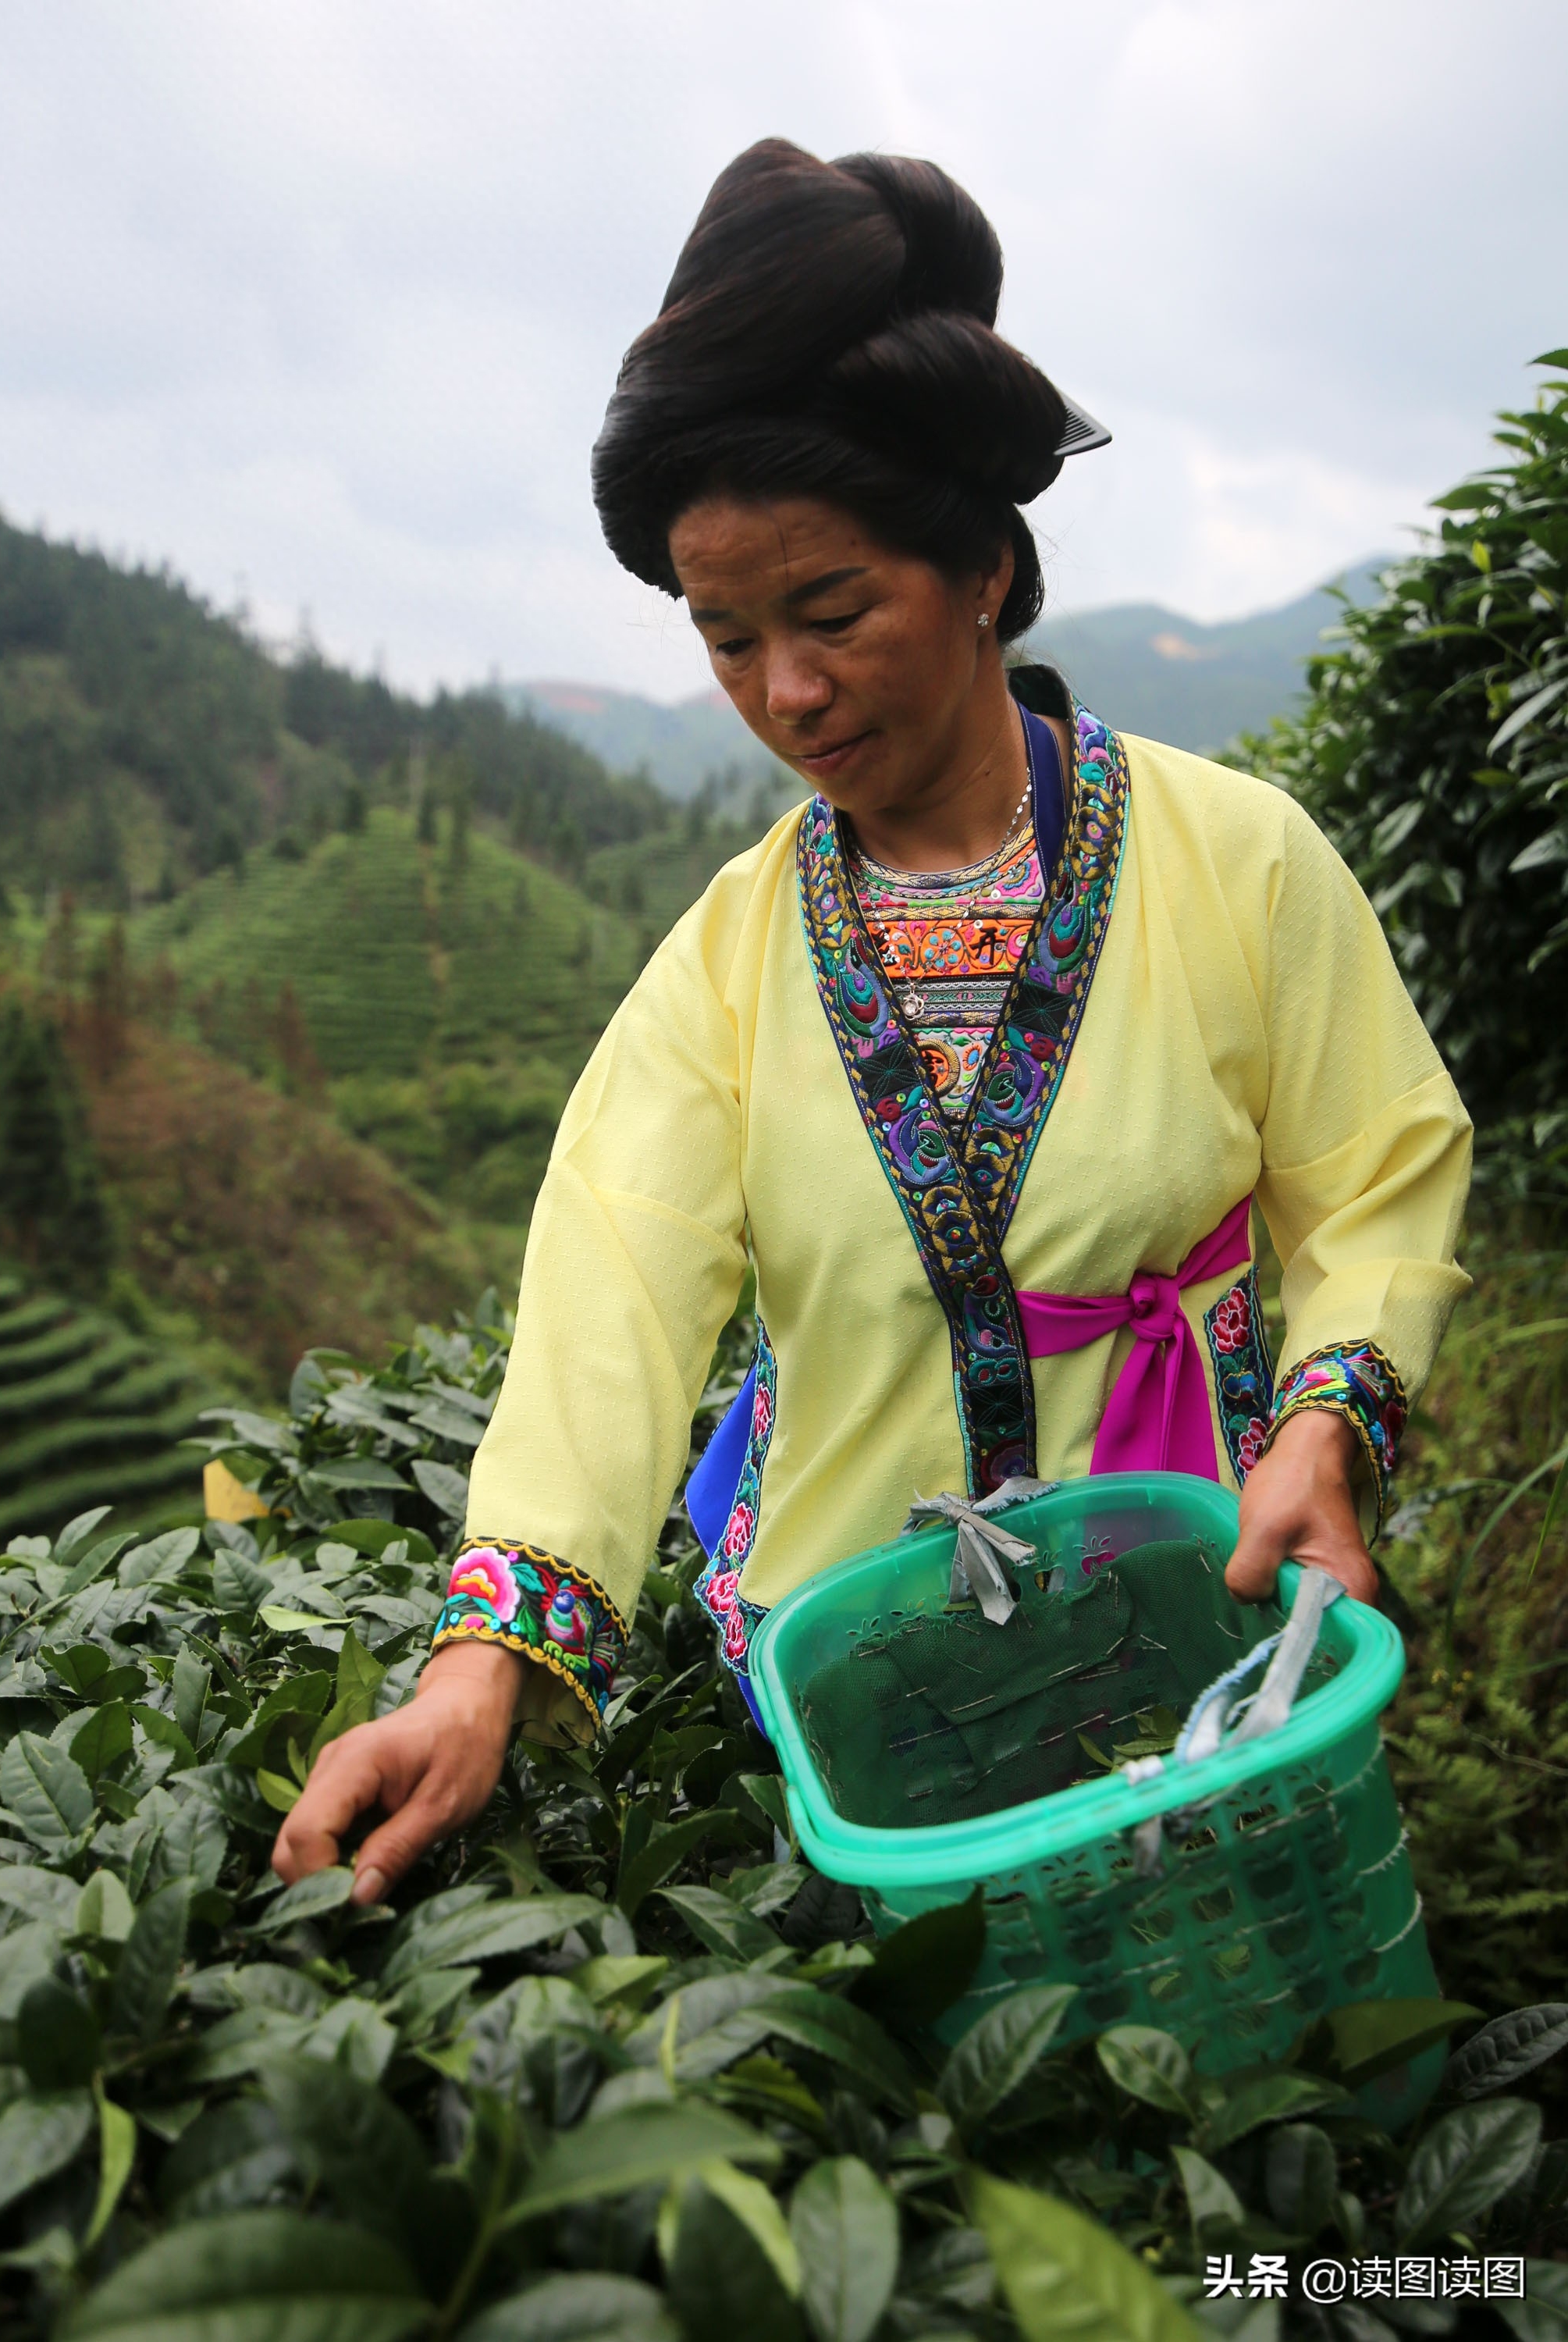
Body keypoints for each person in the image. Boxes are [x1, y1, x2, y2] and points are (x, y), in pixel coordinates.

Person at [273, 139, 1470, 1905]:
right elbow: (613, 1295)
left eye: (830, 612)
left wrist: (1322, 1422)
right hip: (865, 1684)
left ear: (984, 567)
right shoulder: (728, 964)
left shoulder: (1235, 863)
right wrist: (480, 1663)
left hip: (1203, 1621)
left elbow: (1375, 1176)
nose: (787, 692)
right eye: (725, 637)